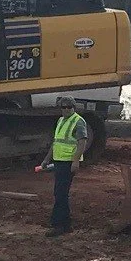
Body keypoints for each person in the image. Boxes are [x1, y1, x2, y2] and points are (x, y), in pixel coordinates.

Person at [39, 95, 90, 236]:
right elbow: (56, 142)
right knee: (60, 192)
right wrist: (46, 159)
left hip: (68, 162)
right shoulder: (61, 120)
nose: (66, 110)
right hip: (59, 160)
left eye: (69, 107)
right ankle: (65, 224)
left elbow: (82, 142)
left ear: (74, 108)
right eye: (64, 107)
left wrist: (75, 161)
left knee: (60, 193)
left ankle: (59, 224)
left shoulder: (78, 121)